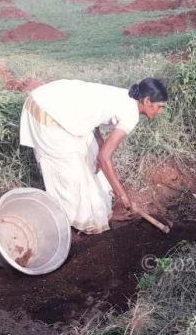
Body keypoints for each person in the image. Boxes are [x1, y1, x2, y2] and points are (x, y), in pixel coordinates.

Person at [19, 78, 168, 234]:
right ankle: (71, 218)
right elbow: (104, 157)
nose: (161, 111)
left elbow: (94, 120)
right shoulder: (131, 115)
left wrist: (99, 147)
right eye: (160, 107)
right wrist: (122, 195)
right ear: (147, 101)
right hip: (47, 109)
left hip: (54, 102)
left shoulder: (128, 98)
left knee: (90, 155)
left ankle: (102, 213)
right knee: (70, 172)